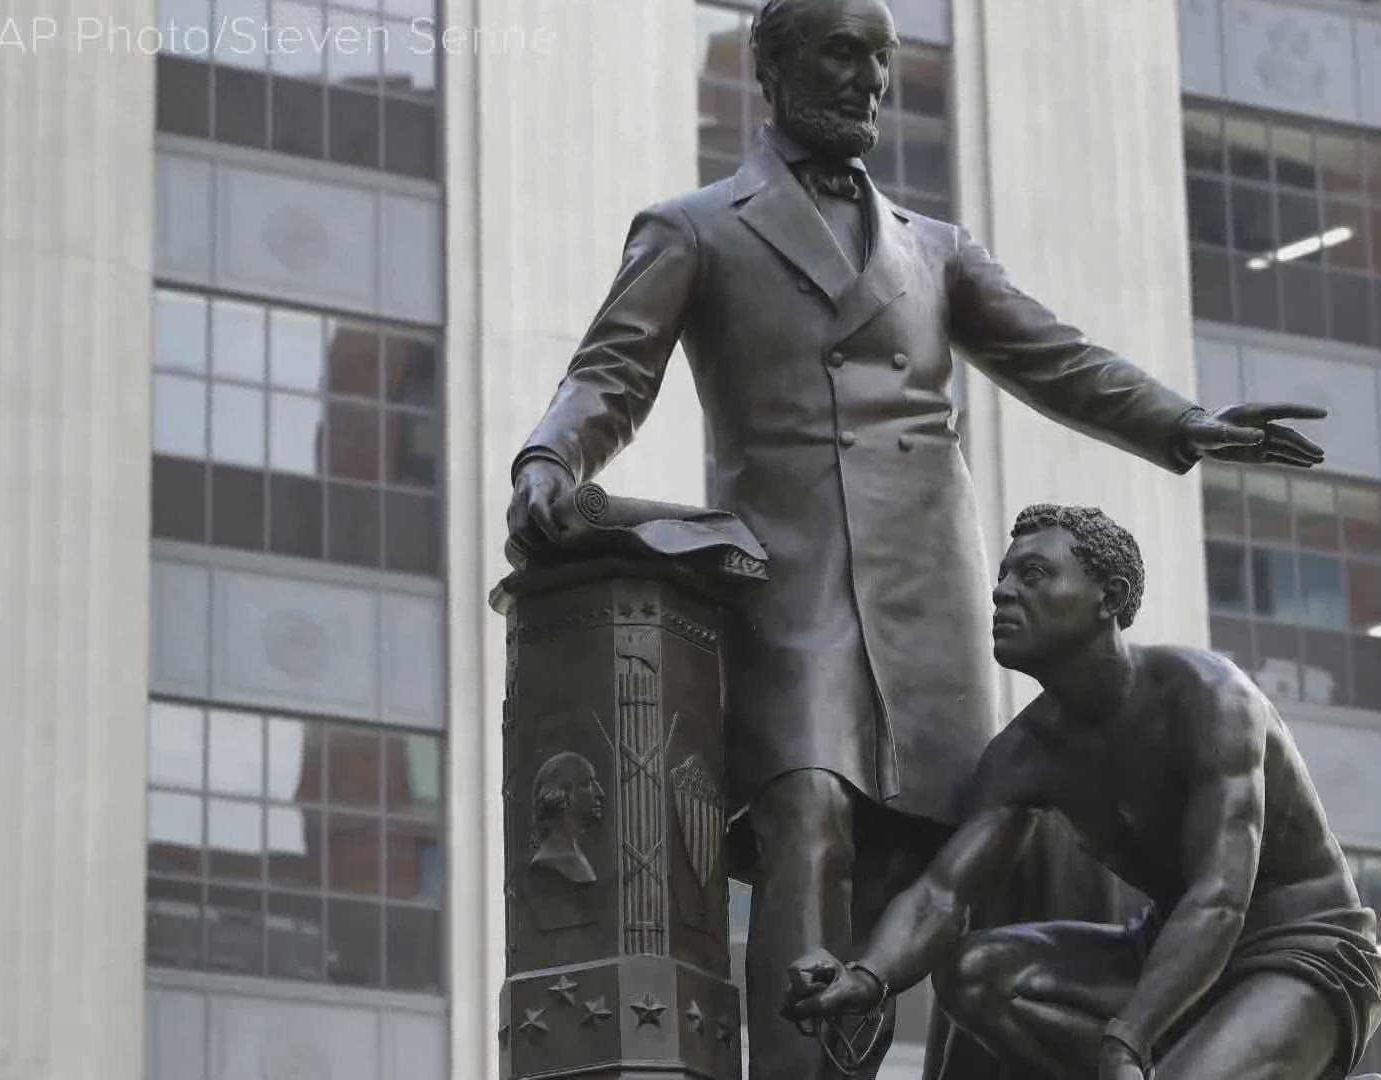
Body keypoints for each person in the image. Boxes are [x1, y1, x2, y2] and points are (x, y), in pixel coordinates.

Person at [504, 0, 1327, 1074]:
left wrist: (1186, 423)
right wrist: (549, 460)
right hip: (790, 584)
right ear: (774, 62)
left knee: (938, 855)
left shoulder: (934, 251)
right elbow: (610, 372)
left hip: (931, 591)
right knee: (809, 813)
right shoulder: (695, 226)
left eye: (883, 61)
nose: (869, 82)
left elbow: (1057, 357)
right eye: (843, 54)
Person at [785, 505, 1381, 1080]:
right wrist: (865, 976)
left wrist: (1131, 1034)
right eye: (1004, 575)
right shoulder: (1026, 753)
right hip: (1165, 956)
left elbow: (1220, 898)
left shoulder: (1209, 698)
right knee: (976, 974)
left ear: (1111, 598)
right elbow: (943, 897)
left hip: (1297, 953)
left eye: (1035, 574)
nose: (1003, 591)